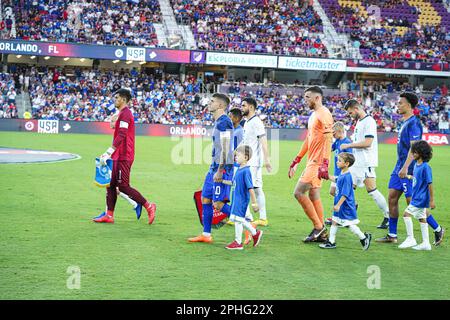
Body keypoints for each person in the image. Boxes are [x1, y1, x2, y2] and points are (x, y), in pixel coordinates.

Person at [377, 92, 445, 245]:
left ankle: (437, 228)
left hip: (410, 169)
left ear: (408, 105)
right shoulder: (405, 122)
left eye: (400, 103)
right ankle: (392, 235)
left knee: (413, 204)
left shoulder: (414, 123)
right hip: (399, 167)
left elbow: (414, 148)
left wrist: (406, 167)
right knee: (392, 198)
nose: (398, 105)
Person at [93, 89, 156, 224]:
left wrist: (108, 151)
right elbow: (116, 130)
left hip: (124, 155)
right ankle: (109, 216)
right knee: (110, 185)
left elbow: (122, 134)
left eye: (117, 98)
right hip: (117, 155)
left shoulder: (126, 114)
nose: (115, 100)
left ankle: (149, 206)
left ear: (123, 99)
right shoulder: (121, 114)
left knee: (123, 186)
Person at [289, 86, 333, 243]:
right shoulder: (314, 115)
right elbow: (309, 139)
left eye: (307, 97)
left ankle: (318, 226)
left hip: (317, 163)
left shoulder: (324, 113)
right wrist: (297, 160)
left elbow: (329, 138)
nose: (304, 100)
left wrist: (325, 164)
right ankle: (322, 233)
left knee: (299, 192)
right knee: (313, 194)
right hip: (312, 161)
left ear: (317, 98)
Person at [188, 93, 234, 243]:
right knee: (205, 199)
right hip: (214, 168)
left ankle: (249, 227)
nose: (209, 103)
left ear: (221, 105)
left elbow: (226, 148)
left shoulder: (224, 122)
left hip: (222, 168)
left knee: (219, 204)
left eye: (212, 101)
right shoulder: (219, 122)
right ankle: (206, 235)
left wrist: (220, 170)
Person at [340, 99, 390, 229]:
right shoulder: (359, 122)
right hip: (356, 163)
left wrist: (349, 145)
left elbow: (368, 142)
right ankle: (347, 217)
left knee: (372, 191)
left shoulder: (369, 121)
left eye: (351, 112)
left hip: (365, 162)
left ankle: (388, 216)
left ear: (356, 108)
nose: (350, 115)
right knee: (347, 189)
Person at [319, 152, 372, 250]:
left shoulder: (347, 176)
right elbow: (337, 179)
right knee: (335, 221)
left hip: (344, 205)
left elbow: (345, 194)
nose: (337, 162)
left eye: (339, 161)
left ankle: (364, 238)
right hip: (340, 204)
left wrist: (338, 205)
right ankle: (331, 242)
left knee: (349, 224)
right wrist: (326, 176)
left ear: (346, 164)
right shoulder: (342, 173)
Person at [240, 97, 272, 226]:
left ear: (251, 107)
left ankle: (246, 217)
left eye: (243, 106)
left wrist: (267, 160)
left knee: (245, 188)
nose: (241, 108)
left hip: (252, 162)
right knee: (257, 189)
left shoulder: (256, 122)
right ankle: (262, 218)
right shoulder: (247, 122)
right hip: (249, 161)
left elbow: (263, 141)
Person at [398, 141, 435, 250]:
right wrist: (409, 177)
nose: (413, 154)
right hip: (417, 196)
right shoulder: (416, 165)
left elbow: (430, 183)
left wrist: (432, 200)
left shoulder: (425, 167)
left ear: (422, 153)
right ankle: (426, 243)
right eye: (413, 151)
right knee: (421, 218)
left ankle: (410, 238)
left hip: (421, 198)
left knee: (406, 214)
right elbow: (417, 179)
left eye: (415, 152)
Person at [225, 145, 263, 250]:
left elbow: (250, 188)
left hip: (241, 200)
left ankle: (239, 242)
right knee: (237, 219)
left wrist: (254, 203)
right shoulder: (239, 169)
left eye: (238, 155)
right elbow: (234, 183)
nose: (235, 157)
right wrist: (222, 181)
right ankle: (254, 234)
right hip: (236, 199)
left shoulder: (246, 171)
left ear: (246, 158)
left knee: (238, 219)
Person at [325, 121, 353, 225]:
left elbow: (350, 160)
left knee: (338, 194)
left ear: (340, 131)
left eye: (334, 133)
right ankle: (353, 204)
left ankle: (337, 217)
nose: (333, 135)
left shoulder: (346, 143)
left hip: (342, 174)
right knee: (332, 192)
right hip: (336, 172)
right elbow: (329, 149)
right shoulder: (337, 142)